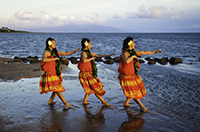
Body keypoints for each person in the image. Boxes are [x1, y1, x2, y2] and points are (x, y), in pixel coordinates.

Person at [118, 37, 162, 112]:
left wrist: (155, 52)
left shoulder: (133, 51)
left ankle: (126, 103)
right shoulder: (124, 53)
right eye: (133, 42)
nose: (134, 44)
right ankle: (142, 106)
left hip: (133, 76)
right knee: (133, 91)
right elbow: (127, 61)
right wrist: (133, 56)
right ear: (130, 44)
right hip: (126, 76)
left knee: (134, 90)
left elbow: (144, 52)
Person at [40, 37, 79, 108]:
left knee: (57, 87)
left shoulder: (56, 52)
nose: (55, 44)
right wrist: (54, 58)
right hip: (50, 73)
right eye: (53, 43)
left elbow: (65, 53)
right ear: (49, 44)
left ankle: (50, 100)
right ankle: (65, 103)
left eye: (55, 43)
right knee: (57, 88)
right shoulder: (46, 52)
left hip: (56, 72)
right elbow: (44, 59)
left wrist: (73, 52)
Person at [78, 38, 113, 106]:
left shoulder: (88, 52)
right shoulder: (84, 52)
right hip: (85, 74)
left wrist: (107, 55)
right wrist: (92, 58)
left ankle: (85, 101)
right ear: (86, 44)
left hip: (89, 73)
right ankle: (103, 101)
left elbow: (97, 55)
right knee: (94, 87)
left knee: (91, 87)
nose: (91, 45)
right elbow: (84, 60)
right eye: (90, 43)